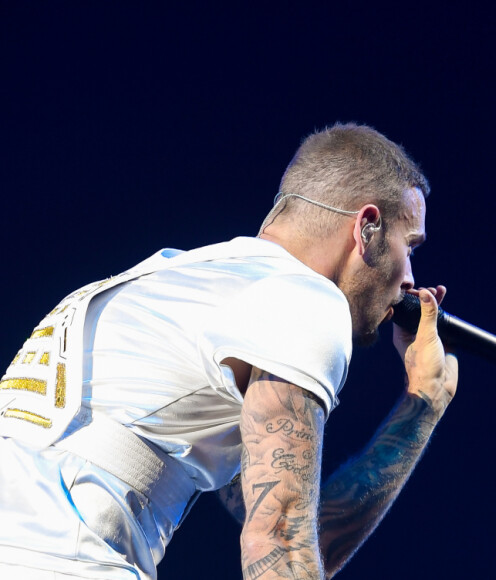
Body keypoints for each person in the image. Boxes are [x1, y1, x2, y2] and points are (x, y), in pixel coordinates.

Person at [0, 123, 458, 579]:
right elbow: (281, 544)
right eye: (410, 244)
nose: (410, 280)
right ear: (367, 227)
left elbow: (307, 534)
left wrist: (421, 404)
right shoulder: (307, 301)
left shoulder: (181, 281)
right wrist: (429, 401)